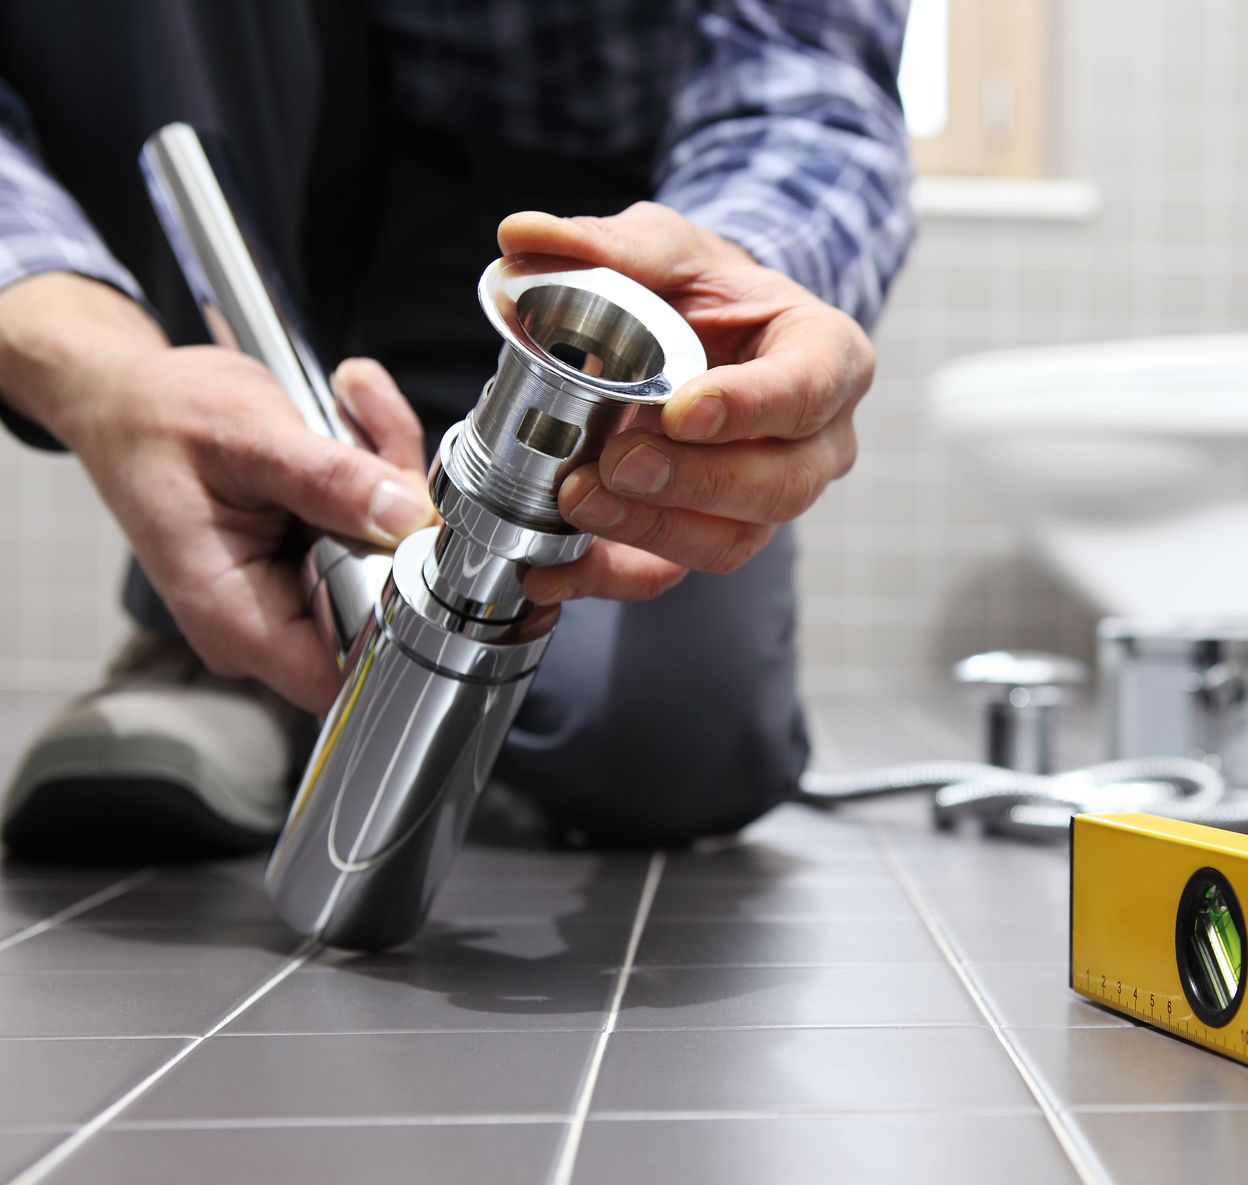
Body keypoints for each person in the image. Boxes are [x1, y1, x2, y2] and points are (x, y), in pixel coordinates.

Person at [0, 2, 914, 857]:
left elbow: (809, 85)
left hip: (601, 212)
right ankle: (217, 630)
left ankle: (320, 634)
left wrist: (731, 284)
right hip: (274, 164)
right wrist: (97, 370)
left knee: (667, 732)